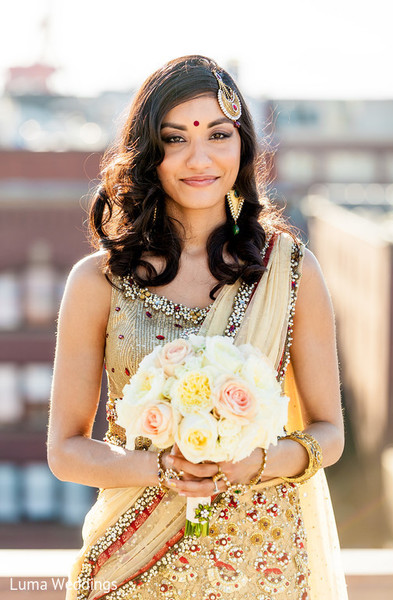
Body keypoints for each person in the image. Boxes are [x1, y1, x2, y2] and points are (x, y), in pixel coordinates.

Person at [47, 55, 347, 600]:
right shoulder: (98, 281)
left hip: (265, 563)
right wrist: (163, 466)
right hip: (133, 561)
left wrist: (253, 462)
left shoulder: (288, 269)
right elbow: (66, 451)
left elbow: (330, 434)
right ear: (148, 153)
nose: (199, 157)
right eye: (175, 138)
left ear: (242, 146)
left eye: (217, 134)